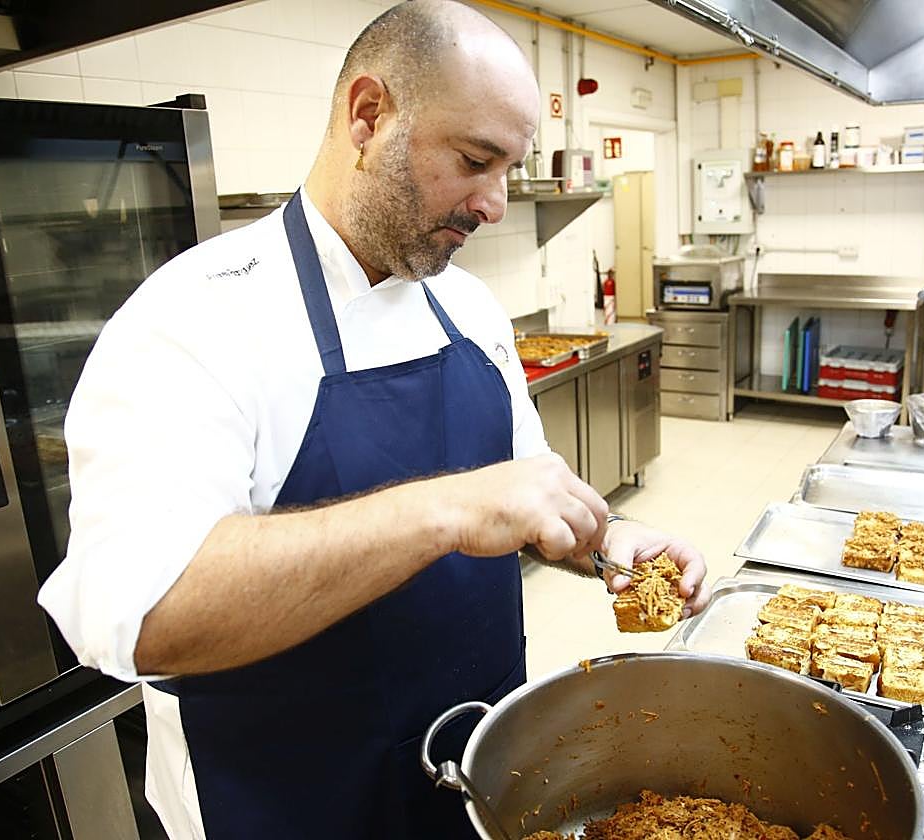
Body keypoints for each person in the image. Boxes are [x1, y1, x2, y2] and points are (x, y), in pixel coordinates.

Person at [39, 1, 709, 837]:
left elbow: (529, 498)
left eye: (510, 168)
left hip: (471, 773)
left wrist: (610, 542)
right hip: (289, 806)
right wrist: (446, 509)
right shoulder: (195, 319)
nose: (496, 203)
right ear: (368, 115)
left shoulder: (468, 309)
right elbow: (141, 616)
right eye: (475, 160)